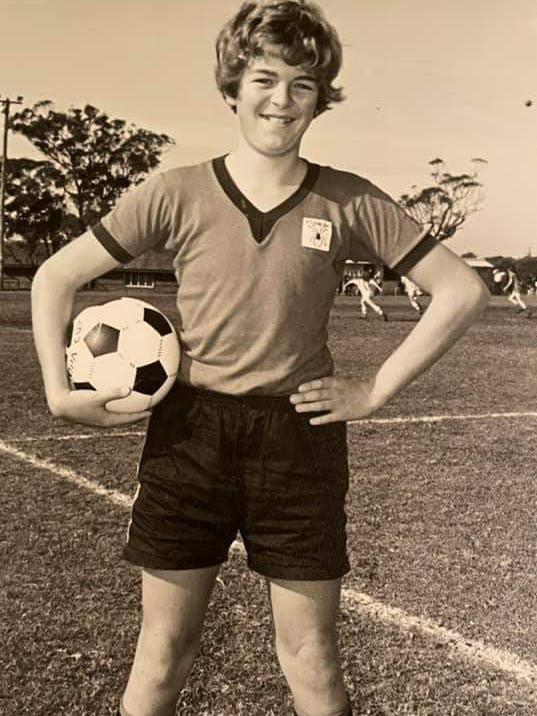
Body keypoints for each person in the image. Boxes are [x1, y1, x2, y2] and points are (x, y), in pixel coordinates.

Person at [30, 2, 490, 715]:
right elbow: (55, 275)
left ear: (319, 97)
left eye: (301, 84)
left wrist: (373, 391)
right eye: (263, 79)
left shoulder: (347, 199)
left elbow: (460, 290)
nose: (280, 100)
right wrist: (59, 392)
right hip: (189, 436)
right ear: (231, 88)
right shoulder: (175, 191)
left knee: (313, 660)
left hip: (298, 440)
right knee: (161, 655)